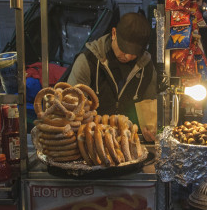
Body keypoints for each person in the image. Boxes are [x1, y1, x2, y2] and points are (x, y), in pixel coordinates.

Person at [67, 12, 157, 140]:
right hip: (92, 138)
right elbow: (71, 106)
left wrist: (149, 128)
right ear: (114, 33)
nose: (128, 56)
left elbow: (150, 106)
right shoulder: (88, 61)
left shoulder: (146, 67)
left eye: (134, 53)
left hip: (129, 139)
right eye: (124, 49)